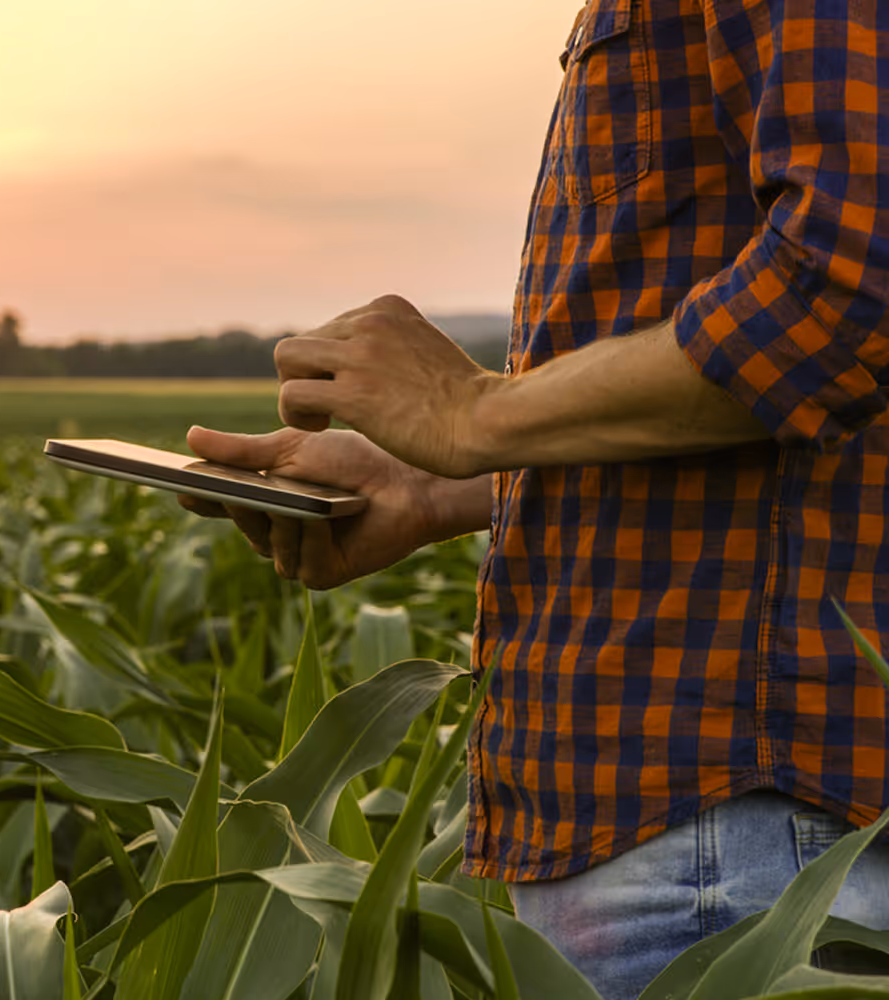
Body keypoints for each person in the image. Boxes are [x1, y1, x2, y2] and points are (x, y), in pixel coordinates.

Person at [179, 0, 889, 996]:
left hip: (733, 836)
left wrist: (473, 412)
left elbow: (846, 286)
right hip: (707, 828)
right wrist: (439, 484)